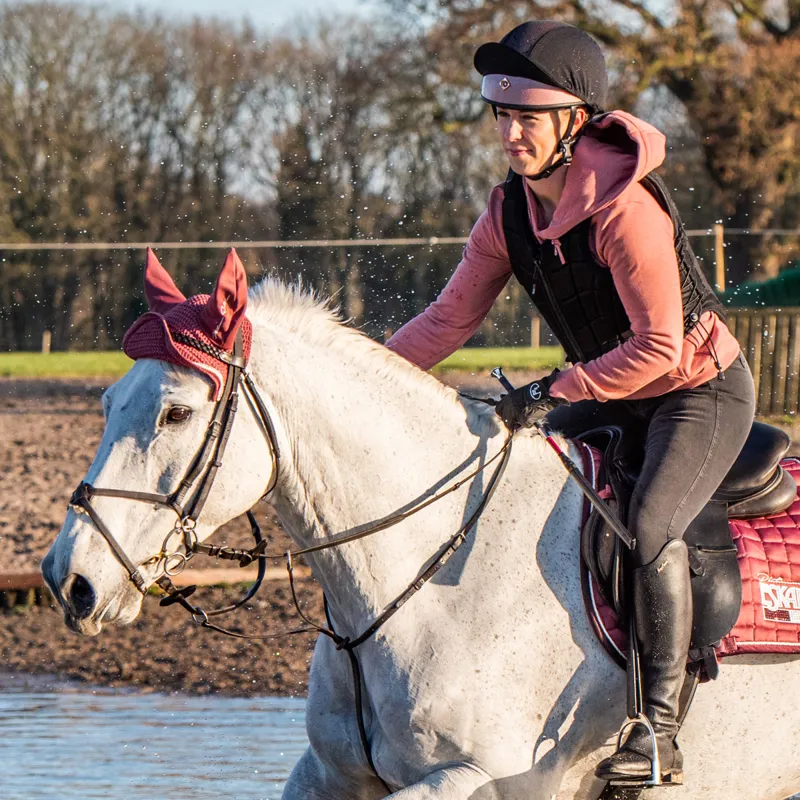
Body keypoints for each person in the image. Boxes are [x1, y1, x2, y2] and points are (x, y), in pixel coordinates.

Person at [385, 19, 756, 785]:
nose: (510, 133)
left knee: (649, 525)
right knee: (512, 473)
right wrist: (365, 374)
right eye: (501, 115)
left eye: (528, 118)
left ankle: (657, 731)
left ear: (576, 121)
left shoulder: (625, 210)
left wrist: (555, 388)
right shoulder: (507, 214)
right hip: (614, 393)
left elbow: (659, 348)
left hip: (695, 391)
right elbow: (448, 321)